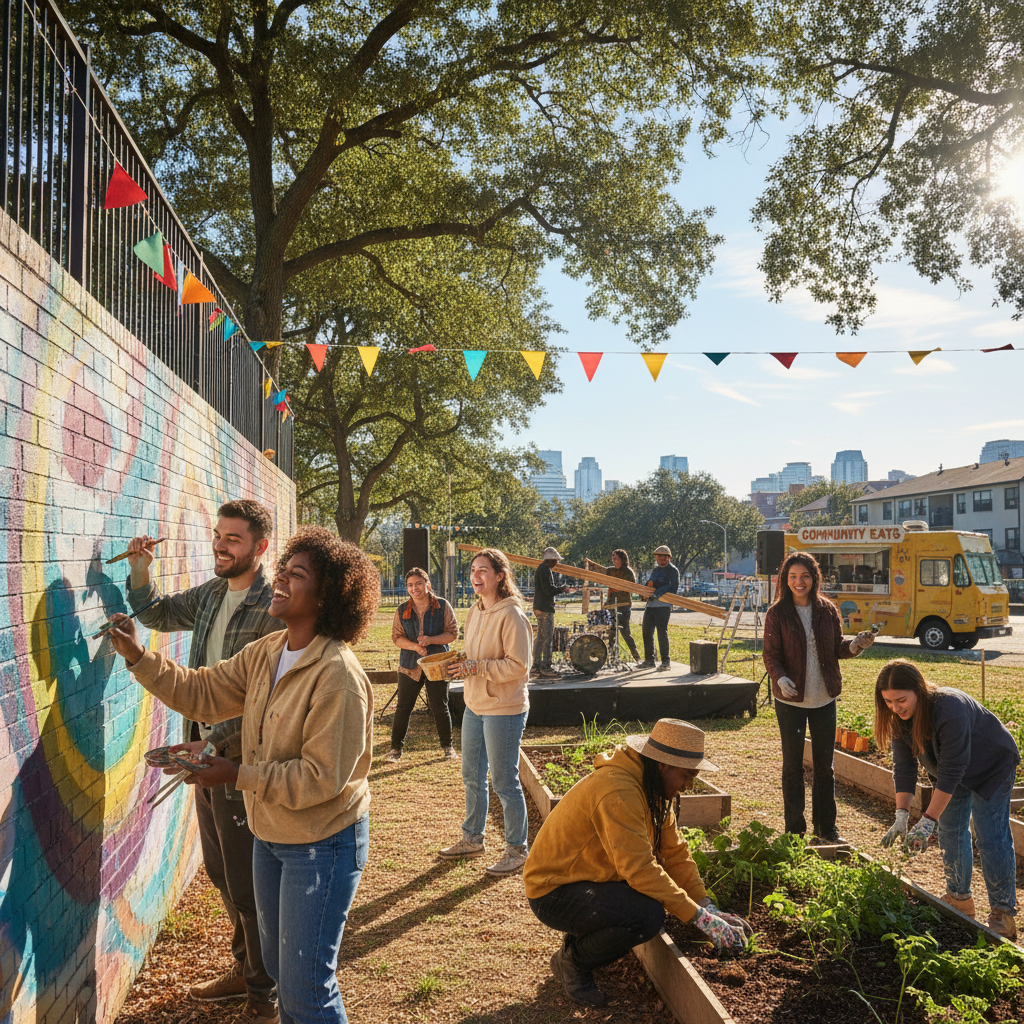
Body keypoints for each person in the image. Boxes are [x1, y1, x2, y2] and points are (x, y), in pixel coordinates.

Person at [107, 527, 378, 1024]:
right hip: (269, 834)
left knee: (306, 991)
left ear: (326, 597)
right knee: (277, 967)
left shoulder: (337, 675)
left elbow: (320, 779)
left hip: (321, 844)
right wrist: (138, 657)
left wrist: (236, 773)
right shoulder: (270, 650)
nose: (280, 580)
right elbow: (203, 691)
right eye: (284, 569)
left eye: (297, 575)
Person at [126, 500, 283, 1023]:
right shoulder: (214, 594)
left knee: (247, 879)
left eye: (233, 538)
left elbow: (266, 695)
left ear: (260, 548)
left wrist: (214, 741)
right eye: (218, 535)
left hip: (240, 761)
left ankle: (264, 991)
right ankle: (246, 968)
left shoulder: (273, 607)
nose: (221, 545)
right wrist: (140, 570)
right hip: (202, 754)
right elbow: (158, 614)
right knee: (219, 870)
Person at [524, 719, 751, 1007]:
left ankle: (579, 941)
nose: (689, 785)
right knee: (645, 916)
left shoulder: (652, 789)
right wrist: (700, 920)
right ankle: (572, 962)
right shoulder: (618, 791)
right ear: (663, 765)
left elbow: (676, 854)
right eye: (686, 775)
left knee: (645, 903)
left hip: (589, 880)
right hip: (553, 891)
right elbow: (640, 869)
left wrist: (708, 907)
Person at [875, 659, 1019, 939]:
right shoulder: (898, 719)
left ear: (918, 689)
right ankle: (959, 899)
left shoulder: (948, 708)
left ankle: (1003, 912)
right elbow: (904, 767)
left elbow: (954, 770)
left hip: (992, 765)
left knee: (990, 835)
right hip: (951, 773)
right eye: (888, 702)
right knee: (951, 831)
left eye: (901, 700)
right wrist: (902, 815)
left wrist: (928, 819)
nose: (895, 708)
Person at [763, 551, 875, 843]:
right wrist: (780, 677)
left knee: (825, 767)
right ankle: (794, 831)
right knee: (792, 766)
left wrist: (856, 645)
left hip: (824, 698)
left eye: (805, 576)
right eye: (792, 577)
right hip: (791, 700)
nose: (799, 582)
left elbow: (837, 648)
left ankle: (827, 829)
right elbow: (771, 655)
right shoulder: (777, 613)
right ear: (785, 581)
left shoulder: (827, 609)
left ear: (814, 578)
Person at [441, 548, 533, 876]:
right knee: (471, 776)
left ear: (499, 576)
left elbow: (519, 666)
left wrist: (476, 666)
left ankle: (517, 849)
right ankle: (472, 839)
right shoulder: (475, 612)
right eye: (473, 570)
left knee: (504, 781)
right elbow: (475, 652)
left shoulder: (513, 615)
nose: (476, 576)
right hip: (474, 706)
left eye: (483, 570)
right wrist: (460, 660)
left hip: (504, 709)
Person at [384, 567, 460, 763]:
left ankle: (448, 748)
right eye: (410, 585)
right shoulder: (402, 610)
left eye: (418, 583)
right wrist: (415, 647)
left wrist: (431, 640)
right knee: (403, 707)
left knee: (440, 706)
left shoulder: (442, 606)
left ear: (427, 584)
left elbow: (452, 633)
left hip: (437, 665)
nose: (414, 588)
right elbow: (396, 638)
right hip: (409, 665)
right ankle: (395, 750)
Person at [532, 547, 571, 679]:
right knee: (547, 638)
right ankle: (545, 666)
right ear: (550, 560)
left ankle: (535, 665)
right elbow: (548, 590)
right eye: (555, 561)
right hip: (545, 608)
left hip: (538, 606)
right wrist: (562, 589)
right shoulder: (545, 570)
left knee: (540, 638)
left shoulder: (541, 569)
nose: (556, 564)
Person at [596, 549, 641, 663]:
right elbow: (602, 578)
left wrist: (617, 588)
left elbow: (631, 587)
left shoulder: (628, 572)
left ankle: (636, 657)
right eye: (613, 557)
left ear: (622, 559)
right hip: (611, 604)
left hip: (624, 604)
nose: (614, 560)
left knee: (625, 631)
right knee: (610, 632)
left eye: (616, 558)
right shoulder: (610, 570)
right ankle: (610, 657)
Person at [641, 545, 679, 670]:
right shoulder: (656, 570)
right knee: (647, 631)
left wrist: (655, 592)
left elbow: (672, 588)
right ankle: (649, 660)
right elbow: (650, 584)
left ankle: (665, 662)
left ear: (669, 557)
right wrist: (645, 591)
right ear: (656, 557)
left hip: (663, 605)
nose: (661, 558)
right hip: (651, 604)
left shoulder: (673, 571)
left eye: (664, 556)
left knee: (661, 632)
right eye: (659, 556)